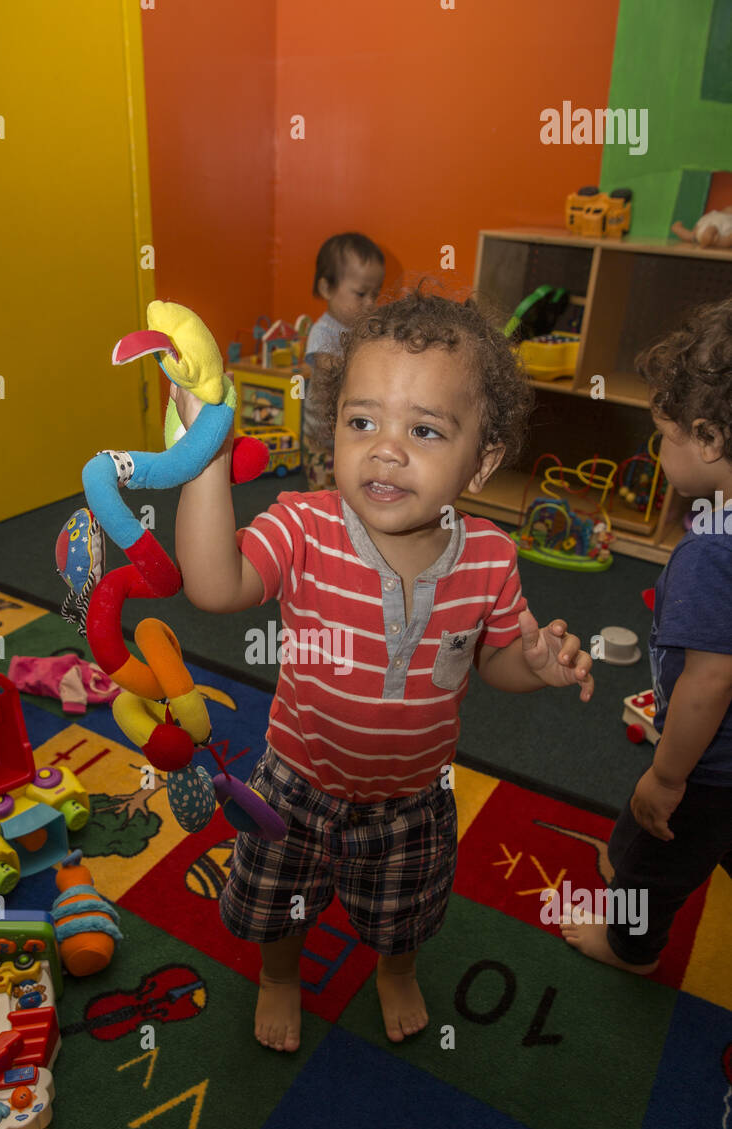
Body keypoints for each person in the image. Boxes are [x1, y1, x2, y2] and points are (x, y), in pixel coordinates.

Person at [175, 288, 594, 1052]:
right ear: (333, 429)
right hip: (297, 784)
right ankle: (279, 975)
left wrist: (533, 664)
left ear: (482, 461)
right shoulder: (304, 526)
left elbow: (494, 663)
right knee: (277, 904)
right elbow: (213, 584)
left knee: (404, 911)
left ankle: (394, 970)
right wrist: (203, 460)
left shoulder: (493, 558)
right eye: (361, 422)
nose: (385, 448)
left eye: (425, 430)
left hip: (414, 799)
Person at [562, 297, 732, 973]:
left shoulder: (711, 551)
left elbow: (711, 679)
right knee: (671, 835)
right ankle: (630, 855)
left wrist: (666, 774)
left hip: (708, 768)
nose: (657, 451)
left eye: (665, 436)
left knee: (662, 845)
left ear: (710, 439)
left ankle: (629, 944)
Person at [301, 233, 385, 491]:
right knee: (325, 491)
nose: (370, 303)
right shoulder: (323, 331)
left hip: (350, 430)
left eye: (375, 294)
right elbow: (332, 369)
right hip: (321, 438)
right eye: (361, 294)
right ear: (327, 288)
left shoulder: (365, 329)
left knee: (353, 486)